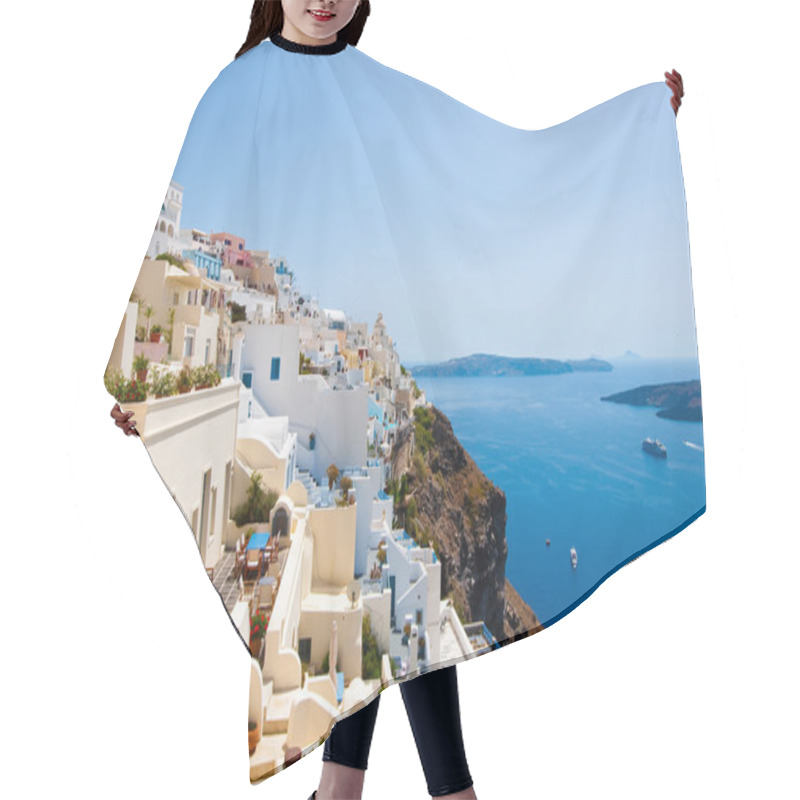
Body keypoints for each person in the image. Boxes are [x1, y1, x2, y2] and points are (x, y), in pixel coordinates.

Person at [110, 2, 686, 798]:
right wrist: (151, 381)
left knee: (379, 598)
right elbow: (183, 247)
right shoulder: (233, 93)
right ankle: (436, 792)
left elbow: (490, 171)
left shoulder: (374, 89)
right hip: (281, 404)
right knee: (376, 600)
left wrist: (637, 126)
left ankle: (352, 790)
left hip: (352, 388)